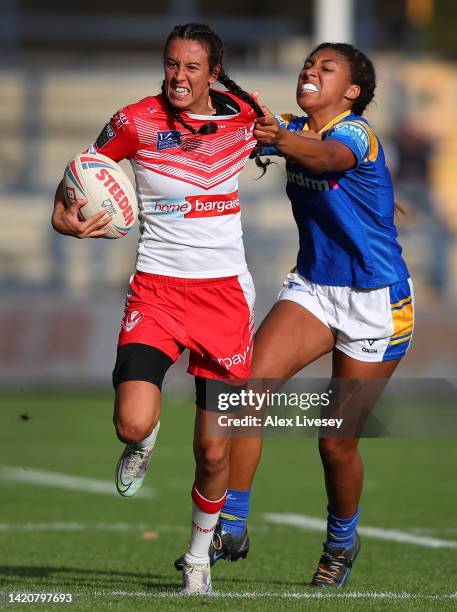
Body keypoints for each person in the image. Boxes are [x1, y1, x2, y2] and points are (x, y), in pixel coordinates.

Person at [51, 22, 265, 594]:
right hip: (157, 292)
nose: (178, 76)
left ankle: (198, 557)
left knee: (214, 451)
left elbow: (297, 145)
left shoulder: (245, 117)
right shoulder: (135, 120)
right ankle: (143, 444)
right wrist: (64, 217)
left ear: (213, 73)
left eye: (192, 67)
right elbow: (81, 172)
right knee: (131, 422)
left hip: (224, 298)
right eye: (172, 64)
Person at [206, 42, 414, 588]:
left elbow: (328, 158)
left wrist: (280, 139)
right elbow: (253, 133)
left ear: (351, 91)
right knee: (247, 389)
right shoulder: (293, 128)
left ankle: (342, 544)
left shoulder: (354, 133)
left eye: (326, 68)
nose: (309, 71)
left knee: (335, 440)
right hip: (315, 289)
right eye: (308, 64)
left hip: (376, 303)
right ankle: (233, 522)